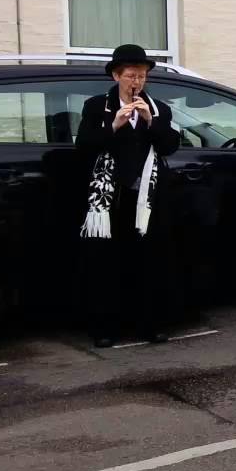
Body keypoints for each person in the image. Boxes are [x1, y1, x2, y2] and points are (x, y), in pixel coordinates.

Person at [76, 44, 182, 348]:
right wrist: (114, 125)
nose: (137, 82)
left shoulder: (159, 108)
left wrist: (151, 121)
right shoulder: (97, 106)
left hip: (146, 201)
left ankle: (151, 324)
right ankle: (105, 327)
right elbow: (84, 145)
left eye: (142, 76)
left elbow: (170, 145)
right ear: (116, 76)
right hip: (111, 200)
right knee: (107, 264)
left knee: (150, 263)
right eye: (131, 76)